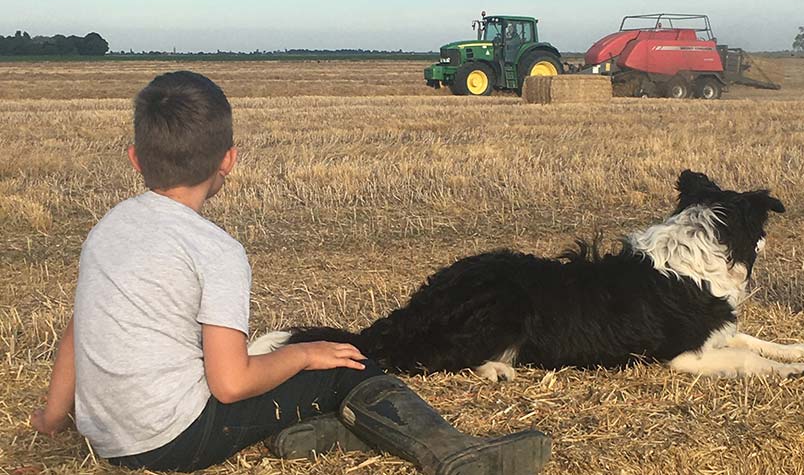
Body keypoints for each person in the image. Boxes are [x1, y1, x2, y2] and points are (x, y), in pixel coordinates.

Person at [30, 71, 551, 475]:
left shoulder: (108, 228)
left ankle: (327, 433)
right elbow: (231, 384)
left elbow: (81, 326)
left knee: (308, 385)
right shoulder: (215, 249)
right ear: (229, 160)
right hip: (172, 443)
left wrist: (55, 418)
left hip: (107, 440)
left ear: (135, 158)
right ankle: (459, 455)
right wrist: (303, 353)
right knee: (348, 369)